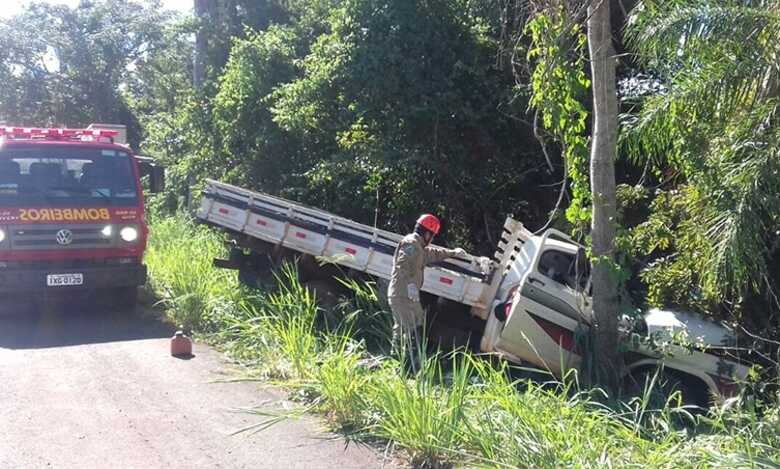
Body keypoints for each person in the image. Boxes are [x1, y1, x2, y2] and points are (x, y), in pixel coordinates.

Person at [387, 213, 466, 372]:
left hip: (405, 295)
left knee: (408, 328)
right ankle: (405, 367)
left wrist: (452, 252)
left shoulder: (419, 248)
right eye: (432, 236)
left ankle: (398, 363)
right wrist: (410, 285)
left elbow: (434, 254)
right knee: (412, 331)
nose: (432, 239)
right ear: (427, 233)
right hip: (402, 294)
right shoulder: (411, 243)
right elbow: (402, 265)